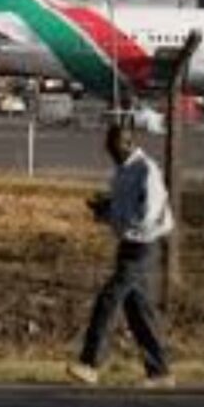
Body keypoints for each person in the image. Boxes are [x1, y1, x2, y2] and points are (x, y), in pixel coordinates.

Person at [66, 124, 175, 387]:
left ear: (126, 144)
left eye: (112, 147)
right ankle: (160, 371)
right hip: (129, 244)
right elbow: (123, 208)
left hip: (144, 246)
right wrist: (104, 208)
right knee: (139, 311)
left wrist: (119, 218)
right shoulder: (122, 171)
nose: (109, 152)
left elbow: (149, 213)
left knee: (109, 298)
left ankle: (90, 363)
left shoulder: (146, 170)